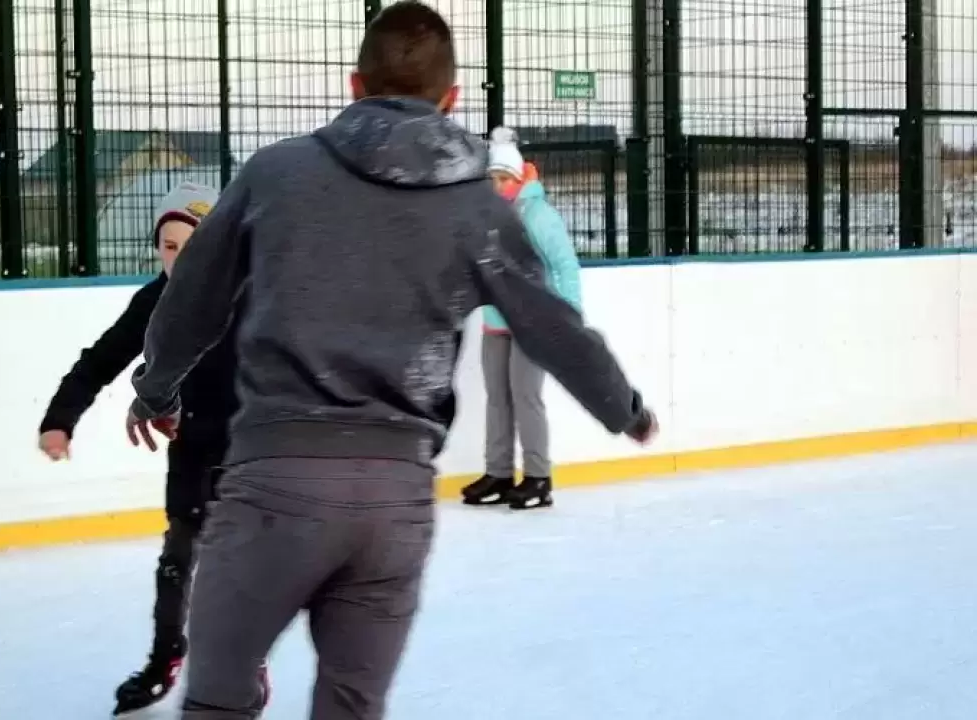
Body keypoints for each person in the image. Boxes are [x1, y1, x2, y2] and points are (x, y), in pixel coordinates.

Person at [125, 3, 658, 719]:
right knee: (352, 706)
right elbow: (550, 324)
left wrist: (156, 390)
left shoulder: (276, 173)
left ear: (355, 85)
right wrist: (624, 408)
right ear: (452, 99)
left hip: (274, 485)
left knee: (218, 701)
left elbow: (191, 299)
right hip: (392, 504)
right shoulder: (477, 206)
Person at [35, 182, 266, 717]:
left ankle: (245, 663)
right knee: (177, 561)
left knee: (239, 569)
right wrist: (59, 422)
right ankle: (166, 659)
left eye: (192, 245)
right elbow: (98, 362)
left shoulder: (252, 295)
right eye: (168, 246)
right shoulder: (154, 301)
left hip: (249, 450)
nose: (179, 258)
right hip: (190, 449)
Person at [461, 126, 586, 511]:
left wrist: (568, 316)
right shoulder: (487, 216)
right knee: (497, 400)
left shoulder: (538, 216)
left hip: (533, 325)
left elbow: (565, 265)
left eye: (504, 179)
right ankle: (498, 474)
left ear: (518, 178)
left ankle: (538, 477)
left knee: (526, 397)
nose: (498, 186)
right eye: (493, 179)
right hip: (496, 321)